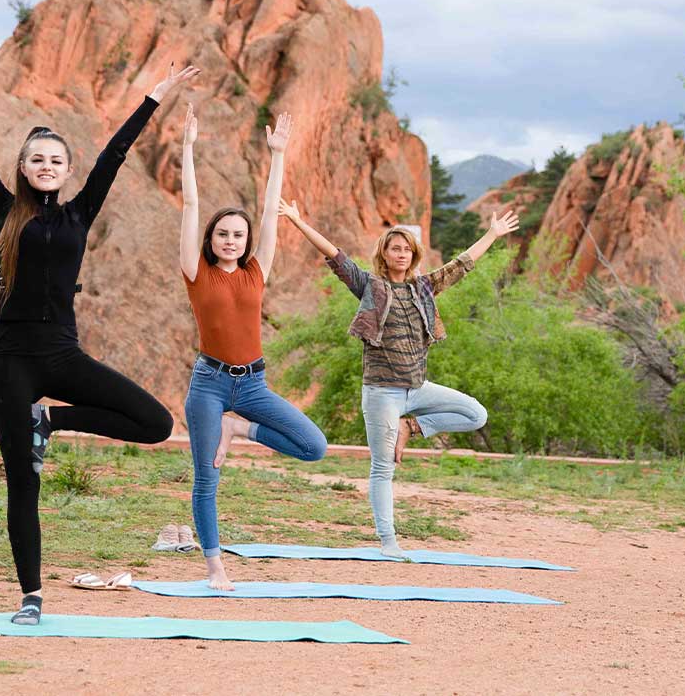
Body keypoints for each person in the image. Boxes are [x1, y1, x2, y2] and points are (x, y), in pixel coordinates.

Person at [0, 40, 194, 624]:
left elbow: (116, 153)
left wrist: (155, 96)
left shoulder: (80, 213)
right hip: (10, 362)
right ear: (24, 169)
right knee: (22, 484)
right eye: (37, 160)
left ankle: (48, 421)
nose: (47, 167)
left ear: (68, 169)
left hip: (61, 355)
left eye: (56, 160)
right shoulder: (3, 210)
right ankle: (31, 597)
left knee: (155, 423)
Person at [279, 200, 518, 557]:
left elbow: (462, 265)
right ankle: (388, 542)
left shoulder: (424, 287)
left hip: (418, 389)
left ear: (414, 254)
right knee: (382, 467)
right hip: (382, 393)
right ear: (385, 254)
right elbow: (336, 256)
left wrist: (493, 234)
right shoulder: (370, 286)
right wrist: (298, 221)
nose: (402, 254)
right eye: (395, 248)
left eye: (407, 249)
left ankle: (413, 428)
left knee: (476, 414)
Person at [179, 104, 327, 590]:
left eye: (237, 235)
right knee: (206, 479)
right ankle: (215, 567)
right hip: (209, 386)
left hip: (253, 386)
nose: (230, 239)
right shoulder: (195, 272)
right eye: (222, 233)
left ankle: (239, 429)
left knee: (313, 446)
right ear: (211, 239)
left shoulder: (256, 269)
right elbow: (190, 207)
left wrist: (278, 155)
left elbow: (269, 212)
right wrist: (188, 149)